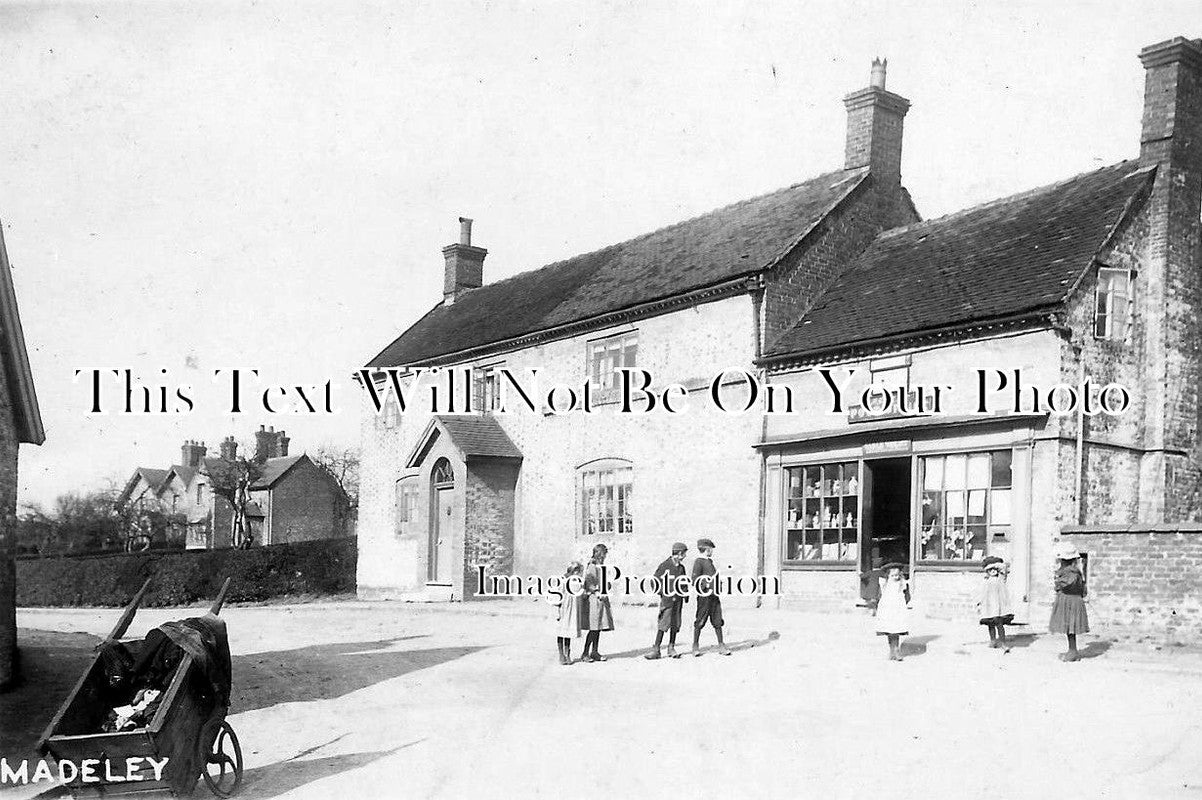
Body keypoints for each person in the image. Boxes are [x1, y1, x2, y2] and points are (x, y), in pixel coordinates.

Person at [645, 542, 689, 660]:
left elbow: (683, 582)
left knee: (675, 624)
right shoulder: (665, 565)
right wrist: (662, 593)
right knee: (663, 624)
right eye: (684, 554)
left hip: (678, 600)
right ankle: (656, 650)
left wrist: (685, 593)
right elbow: (654, 581)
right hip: (668, 601)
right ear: (679, 553)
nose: (685, 556)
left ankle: (671, 648)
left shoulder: (681, 568)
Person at [691, 538, 732, 656]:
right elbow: (694, 580)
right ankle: (695, 646)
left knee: (718, 620)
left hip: (714, 596)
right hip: (704, 597)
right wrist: (707, 585)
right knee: (700, 620)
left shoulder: (710, 562)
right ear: (707, 550)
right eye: (711, 549)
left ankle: (721, 645)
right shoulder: (699, 562)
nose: (712, 552)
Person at [1049, 543, 1089, 662]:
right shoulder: (1071, 571)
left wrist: (1058, 581)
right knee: (1069, 627)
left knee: (1071, 627)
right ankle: (1072, 650)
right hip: (1069, 599)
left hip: (1070, 600)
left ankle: (1072, 652)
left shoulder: (1071, 572)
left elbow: (1068, 584)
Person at [580, 544, 614, 662]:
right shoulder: (592, 566)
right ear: (599, 554)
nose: (605, 556)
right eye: (604, 553)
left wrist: (606, 585)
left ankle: (594, 651)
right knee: (593, 627)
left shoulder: (600, 566)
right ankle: (585, 653)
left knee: (598, 627)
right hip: (594, 599)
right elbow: (589, 582)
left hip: (601, 599)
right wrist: (597, 590)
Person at [875, 562, 911, 661]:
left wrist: (902, 604)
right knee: (889, 630)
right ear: (888, 576)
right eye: (892, 575)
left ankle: (896, 650)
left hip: (897, 609)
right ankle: (892, 651)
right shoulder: (884, 583)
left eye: (897, 575)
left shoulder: (902, 583)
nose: (895, 577)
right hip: (887, 609)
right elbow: (878, 595)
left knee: (896, 630)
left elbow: (907, 596)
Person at [978, 555, 1014, 652]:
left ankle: (1002, 642)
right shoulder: (986, 581)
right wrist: (980, 602)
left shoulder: (1001, 579)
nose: (993, 571)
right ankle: (993, 640)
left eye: (994, 569)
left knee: (999, 624)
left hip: (999, 605)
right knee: (991, 624)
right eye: (990, 570)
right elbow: (983, 593)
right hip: (989, 605)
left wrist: (996, 564)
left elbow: (1004, 568)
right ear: (987, 572)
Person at [551, 561, 584, 666]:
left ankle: (567, 653)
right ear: (574, 571)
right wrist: (557, 610)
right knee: (561, 632)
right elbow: (557, 596)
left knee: (568, 632)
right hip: (564, 609)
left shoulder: (577, 582)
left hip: (572, 610)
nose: (580, 574)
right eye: (579, 572)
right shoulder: (563, 580)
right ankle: (561, 654)